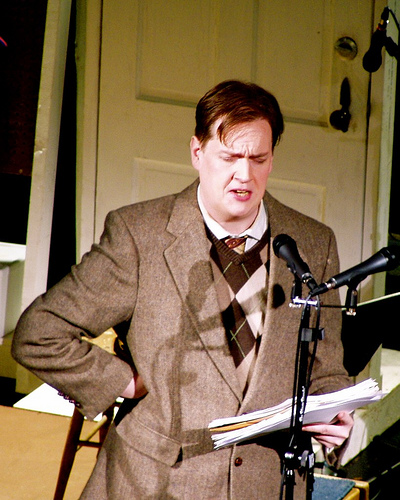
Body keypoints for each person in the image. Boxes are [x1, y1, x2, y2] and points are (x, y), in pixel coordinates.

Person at [12, 80, 353, 499]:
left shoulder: (313, 243)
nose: (244, 175)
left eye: (258, 159)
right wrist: (124, 382)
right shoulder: (139, 236)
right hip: (155, 483)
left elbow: (325, 367)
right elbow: (39, 334)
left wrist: (336, 414)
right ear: (197, 152)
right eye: (229, 157)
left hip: (267, 485)